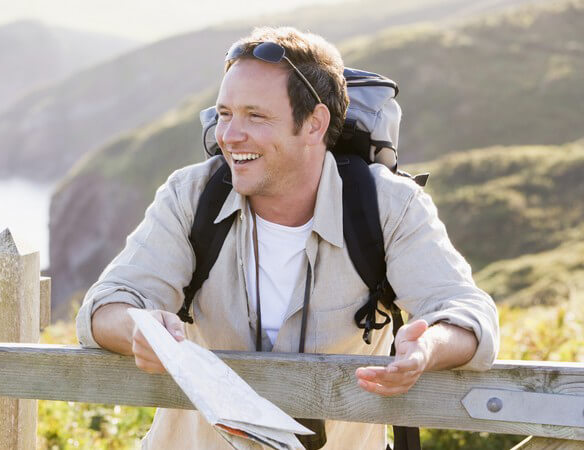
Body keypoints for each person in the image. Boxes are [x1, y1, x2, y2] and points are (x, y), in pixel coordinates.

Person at [76, 26, 499, 450]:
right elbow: (107, 303)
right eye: (224, 114)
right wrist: (139, 327)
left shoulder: (388, 205)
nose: (229, 135)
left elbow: (466, 313)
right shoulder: (190, 195)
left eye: (255, 116)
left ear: (314, 124)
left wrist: (426, 348)